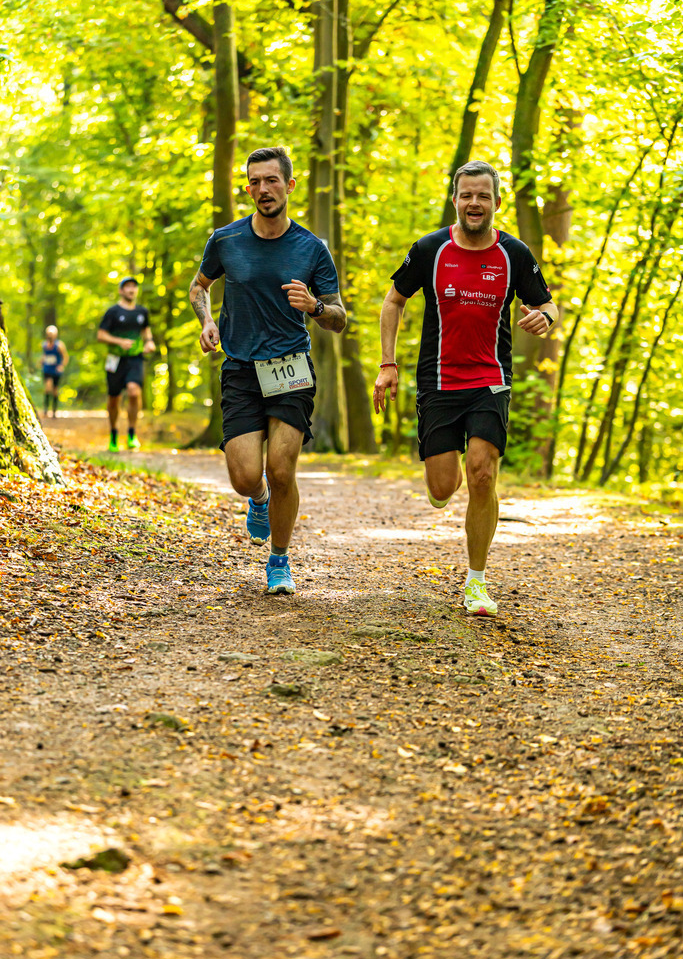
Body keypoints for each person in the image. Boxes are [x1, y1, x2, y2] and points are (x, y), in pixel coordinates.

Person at [374, 160, 558, 617]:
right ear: (455, 199)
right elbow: (394, 300)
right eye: (466, 195)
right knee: (444, 487)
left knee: (482, 472)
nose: (474, 203)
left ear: (496, 201)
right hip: (438, 381)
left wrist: (545, 317)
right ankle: (442, 482)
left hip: (490, 379)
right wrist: (388, 363)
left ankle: (475, 582)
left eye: (483, 196)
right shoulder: (430, 249)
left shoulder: (514, 253)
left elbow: (548, 303)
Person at [189, 145, 346, 595]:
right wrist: (207, 321)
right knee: (245, 477)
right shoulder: (226, 239)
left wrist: (314, 306)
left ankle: (279, 560)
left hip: (291, 367)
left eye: (271, 180)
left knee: (281, 469)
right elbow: (199, 286)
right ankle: (257, 501)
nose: (263, 189)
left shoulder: (312, 248)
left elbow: (339, 317)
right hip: (240, 366)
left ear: (289, 185)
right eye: (254, 182)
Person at [97, 277, 155, 452]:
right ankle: (114, 434)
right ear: (121, 291)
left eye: (134, 287)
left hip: (135, 359)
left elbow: (146, 330)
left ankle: (131, 433)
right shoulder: (112, 312)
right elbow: (101, 335)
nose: (131, 290)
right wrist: (119, 342)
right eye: (127, 287)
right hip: (115, 360)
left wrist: (149, 342)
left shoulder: (142, 312)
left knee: (134, 391)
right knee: (114, 399)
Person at [41, 325, 68, 418]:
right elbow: (45, 355)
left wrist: (61, 366)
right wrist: (41, 361)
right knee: (47, 388)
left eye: (51, 334)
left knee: (55, 390)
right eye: (48, 334)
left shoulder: (59, 345)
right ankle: (45, 410)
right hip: (47, 369)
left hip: (55, 370)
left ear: (55, 335)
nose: (50, 336)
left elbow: (65, 357)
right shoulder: (44, 345)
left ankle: (54, 411)